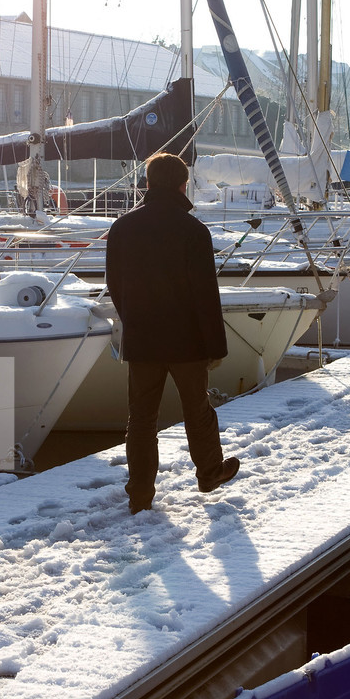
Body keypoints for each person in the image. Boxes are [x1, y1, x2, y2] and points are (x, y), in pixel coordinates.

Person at [106, 152, 239, 514]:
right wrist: (216, 346)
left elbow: (113, 284)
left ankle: (140, 495)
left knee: (142, 419)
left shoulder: (122, 227)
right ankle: (210, 472)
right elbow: (205, 296)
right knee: (197, 409)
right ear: (182, 185)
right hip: (188, 341)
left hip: (143, 339)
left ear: (148, 183)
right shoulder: (194, 231)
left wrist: (132, 320)